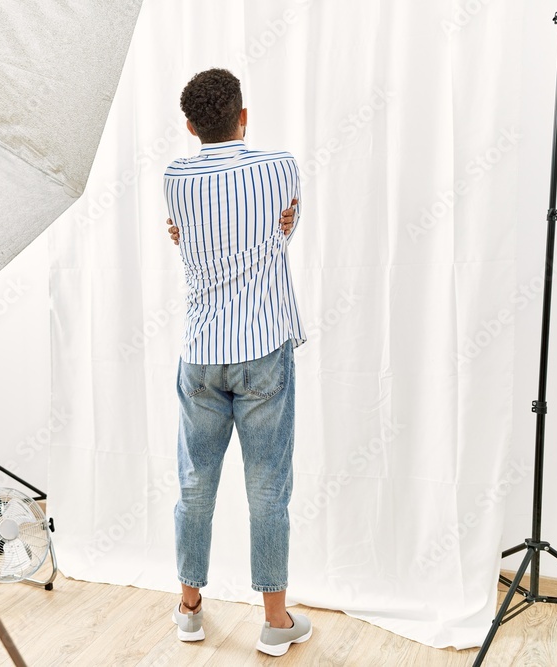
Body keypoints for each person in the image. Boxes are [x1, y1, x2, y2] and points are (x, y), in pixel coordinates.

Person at [163, 67, 311, 657]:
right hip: (263, 345)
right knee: (268, 486)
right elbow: (286, 229)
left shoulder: (174, 177)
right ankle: (276, 623)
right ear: (243, 117)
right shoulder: (280, 167)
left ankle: (189, 611)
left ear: (191, 125)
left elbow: (181, 238)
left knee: (194, 483)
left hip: (201, 350)